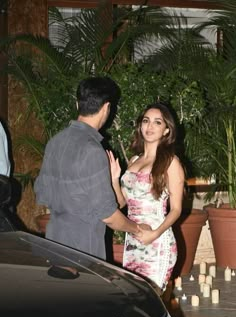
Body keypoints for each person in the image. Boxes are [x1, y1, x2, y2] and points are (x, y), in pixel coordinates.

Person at [34, 76, 150, 263]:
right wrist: (136, 229)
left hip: (54, 241)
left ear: (77, 104)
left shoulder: (55, 142)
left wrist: (111, 182)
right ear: (106, 108)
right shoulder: (92, 150)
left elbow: (43, 193)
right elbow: (108, 215)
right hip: (84, 250)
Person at [107, 102, 185, 293]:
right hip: (133, 240)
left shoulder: (170, 162)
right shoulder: (134, 160)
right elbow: (122, 202)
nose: (149, 127)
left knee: (152, 299)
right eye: (146, 121)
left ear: (166, 130)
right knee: (134, 298)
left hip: (157, 240)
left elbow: (176, 209)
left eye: (157, 122)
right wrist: (115, 179)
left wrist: (155, 233)